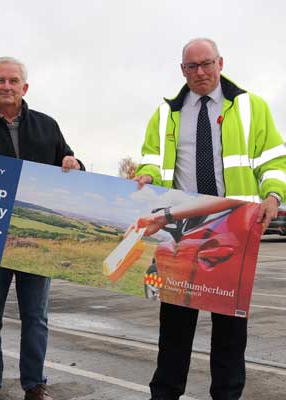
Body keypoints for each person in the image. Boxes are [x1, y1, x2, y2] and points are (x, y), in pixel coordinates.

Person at [134, 38, 286, 400]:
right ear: (182, 70)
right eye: (191, 67)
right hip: (179, 232)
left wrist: (274, 195)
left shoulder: (253, 107)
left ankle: (227, 395)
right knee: (174, 328)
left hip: (235, 230)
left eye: (206, 64)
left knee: (231, 330)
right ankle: (165, 394)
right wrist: (146, 175)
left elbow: (274, 160)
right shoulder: (166, 112)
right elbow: (151, 158)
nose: (200, 72)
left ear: (220, 62)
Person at [0, 56, 84, 400]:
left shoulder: (48, 126)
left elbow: (70, 165)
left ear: (25, 87)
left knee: (36, 318)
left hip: (36, 242)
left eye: (13, 81)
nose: (7, 86)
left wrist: (75, 162)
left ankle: (34, 384)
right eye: (1, 81)